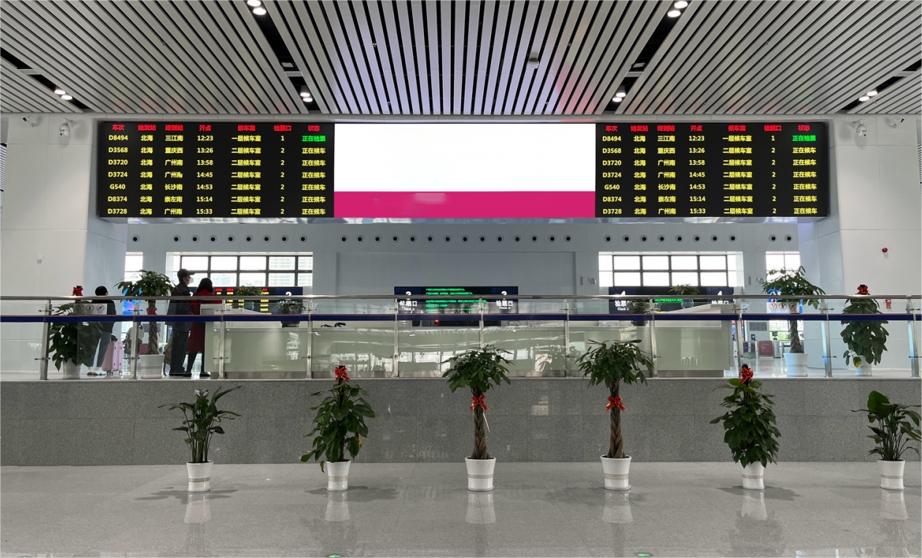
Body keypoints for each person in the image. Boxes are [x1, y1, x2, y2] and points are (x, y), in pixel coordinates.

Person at [186, 277, 218, 377]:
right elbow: (218, 308)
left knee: (193, 348)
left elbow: (192, 307)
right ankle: (203, 370)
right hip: (208, 325)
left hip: (196, 324)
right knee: (206, 348)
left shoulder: (196, 295)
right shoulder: (212, 296)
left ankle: (188, 370)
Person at [166, 269, 193, 377]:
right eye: (188, 277)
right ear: (184, 278)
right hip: (182, 323)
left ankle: (175, 368)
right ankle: (177, 368)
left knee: (177, 346)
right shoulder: (183, 291)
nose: (189, 279)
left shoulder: (177, 289)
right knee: (180, 347)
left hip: (177, 322)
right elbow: (183, 307)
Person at [88, 286, 117, 376]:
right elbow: (113, 315)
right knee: (103, 348)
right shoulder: (110, 302)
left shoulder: (93, 301)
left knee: (92, 347)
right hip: (107, 327)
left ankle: (90, 367)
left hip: (95, 327)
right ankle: (98, 367)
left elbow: (90, 314)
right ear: (106, 293)